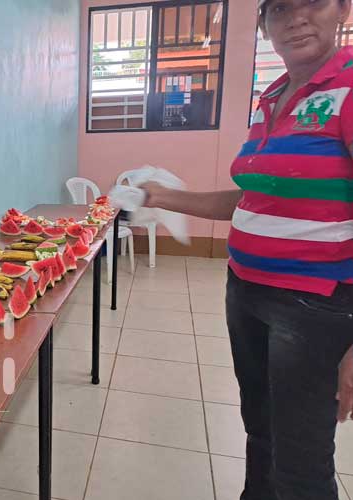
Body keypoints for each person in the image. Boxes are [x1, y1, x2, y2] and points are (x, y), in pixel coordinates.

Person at [141, 0, 353, 498]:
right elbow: (257, 199)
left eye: (312, 2)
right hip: (247, 292)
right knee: (260, 435)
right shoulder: (275, 95)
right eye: (280, 8)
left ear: (343, 8)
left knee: (301, 466)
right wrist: (165, 196)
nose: (296, 17)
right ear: (264, 23)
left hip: (314, 305)